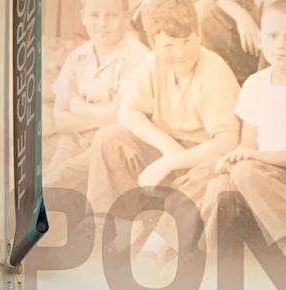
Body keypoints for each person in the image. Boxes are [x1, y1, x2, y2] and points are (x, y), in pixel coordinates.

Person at [88, 0, 240, 247]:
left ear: (199, 34)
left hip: (203, 156)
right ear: (152, 43)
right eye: (168, 45)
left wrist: (173, 161)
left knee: (213, 174)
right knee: (109, 137)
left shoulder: (214, 69)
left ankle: (159, 244)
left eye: (188, 41)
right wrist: (167, 148)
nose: (180, 53)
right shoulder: (152, 63)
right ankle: (109, 228)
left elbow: (227, 141)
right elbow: (127, 112)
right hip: (169, 148)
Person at [201, 0, 286, 246]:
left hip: (271, 174)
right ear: (261, 39)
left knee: (246, 171)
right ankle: (200, 262)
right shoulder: (255, 85)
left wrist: (251, 158)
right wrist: (233, 158)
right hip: (261, 175)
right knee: (221, 184)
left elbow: (253, 157)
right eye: (272, 35)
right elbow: (247, 145)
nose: (281, 45)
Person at [47, 0, 149, 192]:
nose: (102, 23)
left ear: (126, 18)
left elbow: (117, 117)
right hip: (74, 141)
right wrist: (101, 116)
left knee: (58, 181)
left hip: (112, 147)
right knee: (44, 179)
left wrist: (77, 106)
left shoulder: (139, 57)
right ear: (83, 17)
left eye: (112, 15)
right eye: (94, 15)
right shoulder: (78, 57)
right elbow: (60, 119)